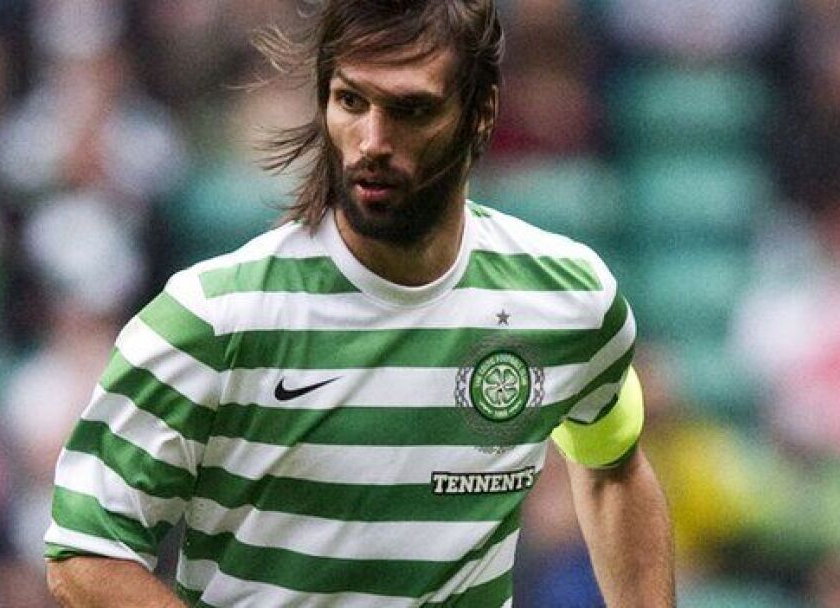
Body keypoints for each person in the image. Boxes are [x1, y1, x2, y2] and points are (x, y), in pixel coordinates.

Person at [44, 1, 675, 606]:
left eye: (411, 110)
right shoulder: (211, 318)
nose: (372, 140)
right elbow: (86, 553)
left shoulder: (568, 300)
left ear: (481, 111)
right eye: (352, 101)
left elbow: (612, 471)